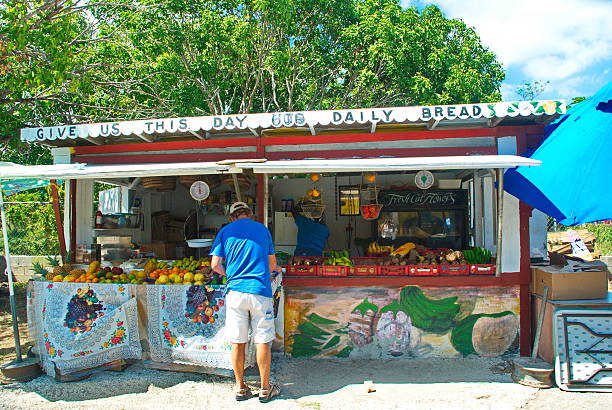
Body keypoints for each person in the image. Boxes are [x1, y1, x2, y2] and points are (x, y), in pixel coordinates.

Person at [210, 201, 281, 403]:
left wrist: (231, 275)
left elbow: (215, 265)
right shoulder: (262, 229)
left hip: (235, 293)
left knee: (237, 341)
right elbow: (272, 264)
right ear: (250, 214)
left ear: (232, 217)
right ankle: (265, 389)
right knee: (262, 340)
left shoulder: (225, 231)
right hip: (260, 291)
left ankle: (240, 388)